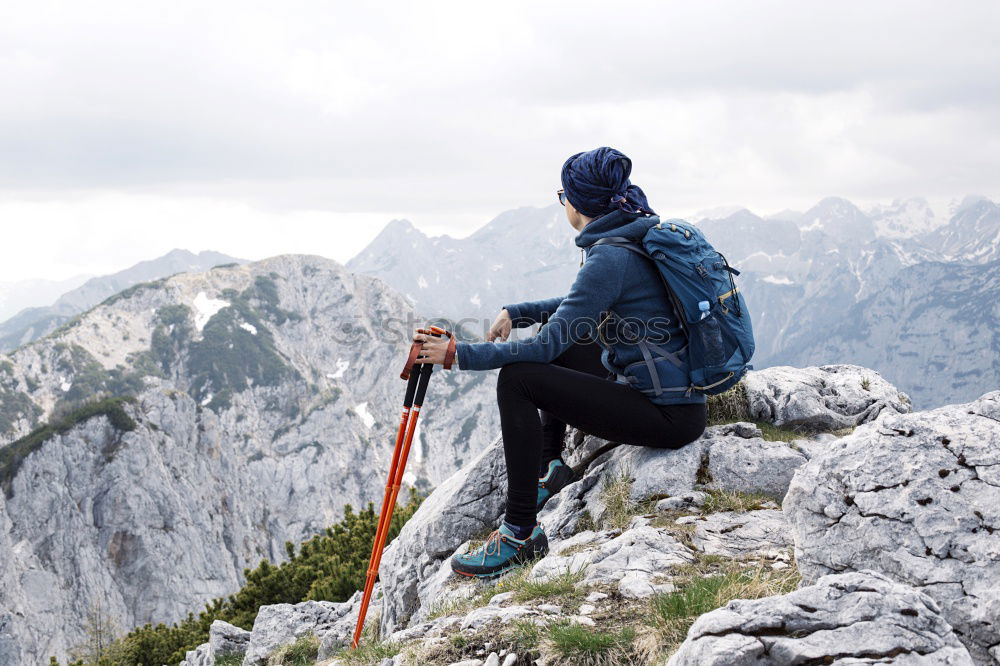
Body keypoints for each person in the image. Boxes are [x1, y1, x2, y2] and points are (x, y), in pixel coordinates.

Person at [412, 146, 707, 577]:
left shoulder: (611, 256)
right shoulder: (633, 233)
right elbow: (578, 308)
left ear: (579, 202)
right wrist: (520, 311)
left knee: (518, 378)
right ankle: (551, 469)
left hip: (668, 416)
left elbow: (544, 349)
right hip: (676, 396)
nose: (563, 203)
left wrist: (457, 354)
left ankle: (519, 536)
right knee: (573, 339)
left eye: (563, 195)